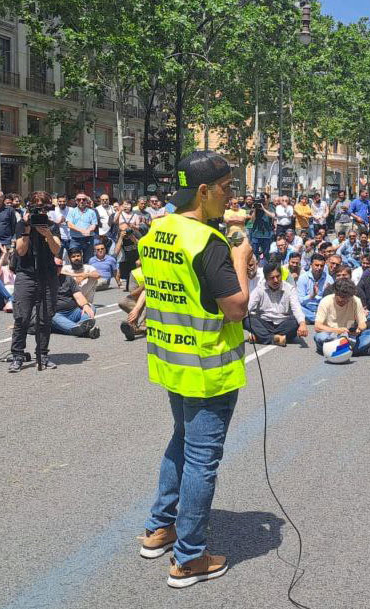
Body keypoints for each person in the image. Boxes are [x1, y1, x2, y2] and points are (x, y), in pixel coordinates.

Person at [138, 150, 252, 588]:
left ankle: (159, 528)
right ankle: (188, 558)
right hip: (208, 368)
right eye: (225, 189)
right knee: (202, 459)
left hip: (172, 360)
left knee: (180, 442)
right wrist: (238, 255)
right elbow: (236, 308)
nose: (231, 197)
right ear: (203, 192)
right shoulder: (210, 243)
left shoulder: (158, 230)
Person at [8, 191, 62, 373]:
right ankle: (17, 355)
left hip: (47, 275)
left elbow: (56, 250)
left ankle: (43, 354)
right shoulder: (22, 225)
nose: (39, 209)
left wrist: (47, 234)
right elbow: (21, 252)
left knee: (45, 317)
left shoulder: (52, 226)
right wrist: (27, 229)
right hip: (26, 274)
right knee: (22, 317)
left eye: (43, 206)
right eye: (35, 205)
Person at [245, 262, 307, 346]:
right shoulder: (260, 289)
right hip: (265, 322)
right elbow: (248, 307)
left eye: (278, 276)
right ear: (266, 279)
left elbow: (296, 308)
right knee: (247, 319)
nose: (276, 280)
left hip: (283, 323)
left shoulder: (289, 289)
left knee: (296, 322)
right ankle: (276, 339)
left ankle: (260, 336)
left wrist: (302, 324)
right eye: (272, 278)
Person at [314, 278, 370, 356]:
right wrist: (337, 330)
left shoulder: (356, 301)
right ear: (335, 293)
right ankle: (358, 350)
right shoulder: (326, 301)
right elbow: (317, 327)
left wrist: (359, 329)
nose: (344, 301)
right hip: (331, 335)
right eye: (341, 298)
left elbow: (362, 323)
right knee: (320, 337)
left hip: (349, 335)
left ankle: (334, 351)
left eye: (347, 298)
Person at [50, 258, 100, 338]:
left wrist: (85, 305)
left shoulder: (68, 279)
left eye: (59, 266)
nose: (57, 268)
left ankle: (81, 325)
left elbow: (78, 295)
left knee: (91, 307)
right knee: (52, 317)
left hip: (73, 311)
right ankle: (83, 330)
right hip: (57, 314)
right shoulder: (43, 280)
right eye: (55, 266)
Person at [297, 253, 331, 323]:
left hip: (322, 308)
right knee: (297, 307)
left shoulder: (329, 279)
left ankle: (312, 319)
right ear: (311, 265)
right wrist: (312, 295)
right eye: (316, 265)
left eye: (321, 266)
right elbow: (300, 300)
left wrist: (327, 293)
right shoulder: (303, 278)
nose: (319, 268)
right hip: (307, 308)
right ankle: (317, 319)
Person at [67, 193, 98, 261]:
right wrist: (81, 231)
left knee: (89, 260)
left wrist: (88, 231)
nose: (81, 201)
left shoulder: (92, 212)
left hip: (88, 239)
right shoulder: (72, 211)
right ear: (76, 201)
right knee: (74, 260)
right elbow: (69, 224)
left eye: (83, 199)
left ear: (87, 201)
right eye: (79, 199)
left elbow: (94, 224)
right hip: (75, 239)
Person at [114, 223, 141, 291]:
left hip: (138, 259)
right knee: (129, 288)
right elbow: (116, 252)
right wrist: (121, 238)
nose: (125, 231)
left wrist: (132, 237)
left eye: (126, 229)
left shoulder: (135, 233)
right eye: (122, 230)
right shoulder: (120, 236)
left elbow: (141, 244)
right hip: (128, 261)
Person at [248, 195, 275, 261]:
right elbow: (252, 220)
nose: (263, 200)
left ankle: (265, 266)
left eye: (264, 199)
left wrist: (263, 209)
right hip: (256, 234)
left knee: (266, 253)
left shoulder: (270, 207)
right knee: (254, 253)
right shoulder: (255, 207)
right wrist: (254, 210)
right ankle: (256, 266)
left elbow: (273, 215)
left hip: (266, 234)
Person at [0, 247, 15, 312]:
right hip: (1, 300)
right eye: (10, 258)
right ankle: (11, 300)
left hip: (16, 297)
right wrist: (4, 254)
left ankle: (11, 302)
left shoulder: (19, 270)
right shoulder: (4, 268)